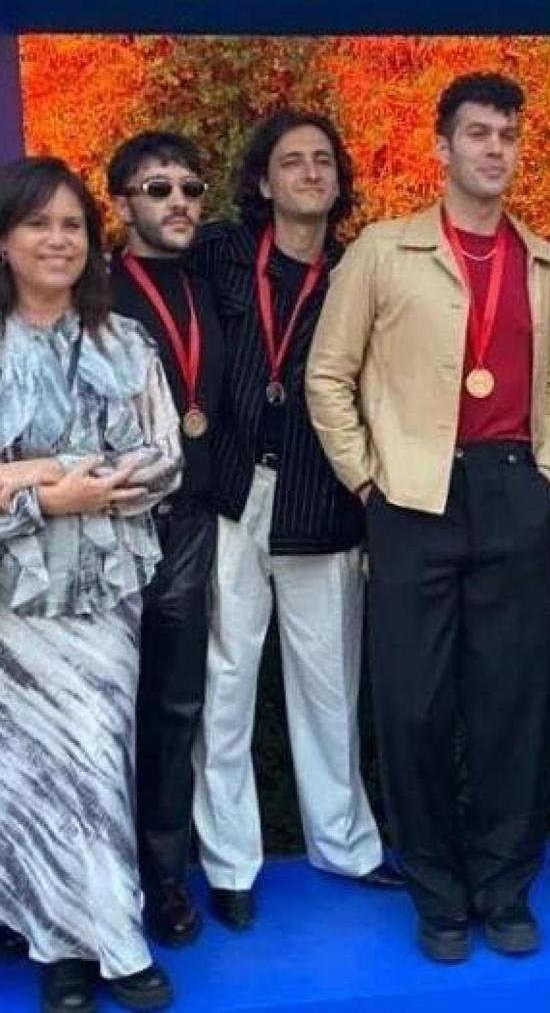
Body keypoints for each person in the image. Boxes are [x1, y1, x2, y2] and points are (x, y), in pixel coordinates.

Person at [307, 72, 550, 962]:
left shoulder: (549, 264)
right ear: (441, 146)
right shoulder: (382, 252)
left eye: (506, 134)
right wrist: (366, 482)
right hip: (412, 498)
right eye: (477, 133)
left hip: (510, 491)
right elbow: (326, 375)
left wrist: (548, 469)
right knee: (413, 708)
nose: (494, 149)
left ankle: (502, 887)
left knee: (509, 705)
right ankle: (436, 890)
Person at [189, 108, 402, 934]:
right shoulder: (221, 254)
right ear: (262, 180)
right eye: (291, 161)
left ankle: (345, 845)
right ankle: (229, 862)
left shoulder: (361, 269)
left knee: (328, 687)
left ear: (339, 180)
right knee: (227, 683)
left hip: (324, 502)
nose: (309, 172)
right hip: (234, 495)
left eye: (322, 161)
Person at [0, 157, 181, 1012]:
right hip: (10, 605)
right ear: (6, 239)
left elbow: (163, 459)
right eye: (39, 224)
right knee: (27, 775)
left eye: (72, 225)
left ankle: (115, 934)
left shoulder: (123, 341)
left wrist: (34, 478)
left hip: (104, 597)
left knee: (101, 760)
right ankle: (59, 949)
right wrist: (54, 492)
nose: (58, 239)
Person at [107, 132, 224, 947]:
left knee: (174, 711)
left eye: (189, 187)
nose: (177, 201)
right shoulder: (90, 292)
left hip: (188, 524)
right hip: (103, 526)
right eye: (157, 189)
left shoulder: (213, 284)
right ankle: (92, 885)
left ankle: (162, 883)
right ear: (120, 205)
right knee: (99, 714)